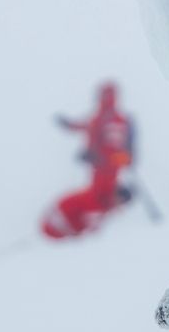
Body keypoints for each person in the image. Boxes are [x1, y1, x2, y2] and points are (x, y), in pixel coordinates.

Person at [42, 81, 135, 239]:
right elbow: (85, 127)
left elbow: (115, 146)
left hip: (105, 167)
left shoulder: (110, 120)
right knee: (99, 195)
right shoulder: (107, 118)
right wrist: (68, 125)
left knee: (100, 196)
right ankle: (88, 224)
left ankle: (95, 227)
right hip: (102, 166)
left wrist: (98, 156)